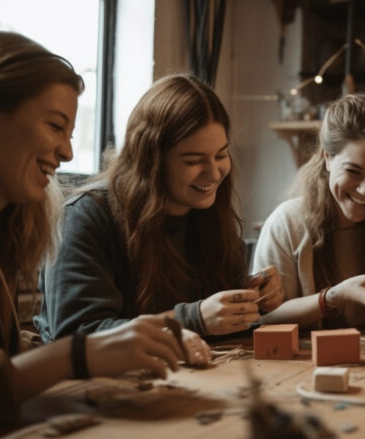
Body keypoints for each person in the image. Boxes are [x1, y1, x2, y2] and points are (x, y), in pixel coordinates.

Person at [0, 30, 184, 432]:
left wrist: (111, 353)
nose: (68, 153)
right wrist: (74, 356)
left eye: (70, 133)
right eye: (55, 126)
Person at [35, 74, 284, 364]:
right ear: (150, 160)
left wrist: (250, 300)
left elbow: (214, 318)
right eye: (193, 161)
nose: (214, 173)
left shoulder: (206, 210)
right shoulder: (85, 216)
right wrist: (194, 318)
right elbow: (78, 337)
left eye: (221, 155)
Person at [253, 94, 365, 328]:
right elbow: (262, 319)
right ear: (327, 158)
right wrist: (332, 298)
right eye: (354, 172)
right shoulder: (286, 223)